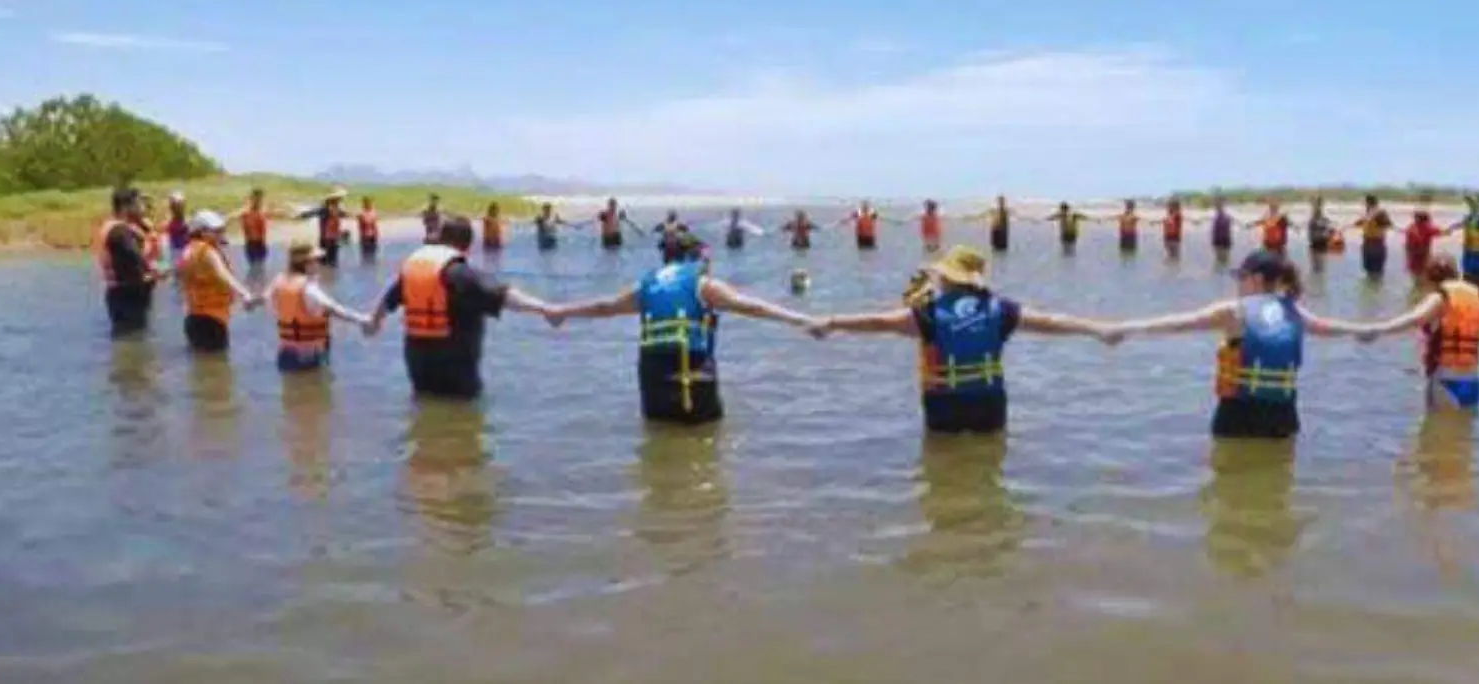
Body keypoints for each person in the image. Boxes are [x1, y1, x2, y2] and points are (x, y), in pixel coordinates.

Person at [814, 246, 1115, 434]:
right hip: (988, 401)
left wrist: (831, 323)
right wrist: (1097, 329)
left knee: (943, 474)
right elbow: (1051, 323)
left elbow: (879, 323)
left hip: (944, 402)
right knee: (989, 470)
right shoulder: (1001, 309)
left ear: (946, 279)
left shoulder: (929, 312)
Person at [546, 232, 817, 424]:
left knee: (659, 442)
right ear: (695, 258)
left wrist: (561, 311)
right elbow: (750, 306)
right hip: (692, 374)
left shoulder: (647, 283)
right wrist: (800, 319)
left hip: (652, 380)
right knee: (706, 446)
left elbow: (604, 307)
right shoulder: (703, 283)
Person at [1104, 251, 1381, 439]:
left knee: (1229, 494)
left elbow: (1177, 323)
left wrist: (1124, 329)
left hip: (1238, 414)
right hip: (1282, 416)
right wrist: (1365, 330)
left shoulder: (1234, 311)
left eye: (1241, 277)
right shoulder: (1294, 311)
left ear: (1257, 279)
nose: (1238, 284)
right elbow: (1331, 327)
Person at [369, 215, 554, 400]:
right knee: (462, 419)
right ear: (467, 245)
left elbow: (387, 301)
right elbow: (503, 296)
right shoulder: (459, 273)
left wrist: (373, 322)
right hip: (456, 372)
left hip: (418, 367)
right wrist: (546, 309)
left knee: (425, 406)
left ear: (441, 239)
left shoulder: (414, 270)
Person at [1353, 256, 1479, 410]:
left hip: (1445, 380)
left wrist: (1379, 329)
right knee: (1462, 436)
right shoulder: (1472, 299)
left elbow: (1414, 319)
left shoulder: (1439, 298)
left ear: (1430, 280)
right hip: (1472, 380)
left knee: (1435, 437)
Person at [269, 240, 373, 372]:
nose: (318, 264)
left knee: (293, 390)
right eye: (315, 260)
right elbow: (333, 309)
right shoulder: (308, 288)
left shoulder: (278, 282)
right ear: (305, 263)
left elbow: (270, 304)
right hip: (309, 354)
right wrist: (362, 319)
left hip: (285, 352)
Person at [176, 211, 260, 354]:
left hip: (192, 318)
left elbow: (180, 276)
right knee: (220, 369)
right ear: (202, 232)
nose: (221, 233)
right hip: (212, 321)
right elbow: (223, 274)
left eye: (222, 230)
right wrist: (245, 293)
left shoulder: (188, 250)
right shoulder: (207, 251)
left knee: (201, 367)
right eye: (216, 231)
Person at [97, 186, 162, 335]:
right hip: (126, 297)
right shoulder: (119, 232)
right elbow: (135, 258)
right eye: (139, 204)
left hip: (129, 295)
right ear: (126, 207)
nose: (143, 207)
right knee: (131, 340)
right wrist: (160, 271)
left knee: (136, 341)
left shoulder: (131, 228)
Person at [1443, 194, 1479, 298]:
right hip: (1469, 254)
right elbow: (1458, 224)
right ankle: (1470, 301)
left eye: (1474, 204)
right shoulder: (1468, 219)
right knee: (1468, 280)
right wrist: (1449, 229)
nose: (1472, 207)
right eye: (1471, 205)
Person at [1351, 195, 1394, 279]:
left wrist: (1378, 220)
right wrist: (1361, 222)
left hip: (1376, 243)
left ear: (1369, 203)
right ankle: (1373, 289)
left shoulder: (1380, 213)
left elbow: (1389, 224)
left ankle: (1375, 288)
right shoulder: (1367, 213)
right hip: (1368, 243)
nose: (1364, 205)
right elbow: (1359, 223)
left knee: (1376, 270)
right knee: (1369, 269)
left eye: (1365, 203)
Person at [1404, 207, 1446, 280]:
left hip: (1412, 256)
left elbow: (1407, 245)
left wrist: (1407, 258)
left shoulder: (1410, 227)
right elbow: (1443, 232)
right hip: (1423, 256)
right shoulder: (1427, 227)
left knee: (1414, 277)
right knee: (1423, 276)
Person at [235, 188, 270, 266]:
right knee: (254, 267)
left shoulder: (262, 212)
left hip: (261, 244)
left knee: (260, 267)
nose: (258, 201)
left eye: (260, 199)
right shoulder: (245, 212)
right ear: (251, 199)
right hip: (251, 244)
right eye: (256, 198)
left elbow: (278, 214)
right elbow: (232, 217)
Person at [315, 189, 348, 267]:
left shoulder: (336, 209)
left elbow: (342, 217)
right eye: (339, 199)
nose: (340, 200)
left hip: (333, 238)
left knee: (331, 262)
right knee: (326, 262)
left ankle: (329, 277)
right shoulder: (325, 209)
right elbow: (323, 224)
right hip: (327, 239)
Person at [163, 192, 191, 260]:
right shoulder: (186, 223)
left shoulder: (186, 222)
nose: (178, 209)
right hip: (178, 252)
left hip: (179, 251)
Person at [1208, 196, 1234, 261]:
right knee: (1220, 259)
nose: (1217, 206)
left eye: (1218, 204)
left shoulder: (1227, 216)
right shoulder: (1216, 216)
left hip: (1224, 240)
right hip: (1220, 240)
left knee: (1223, 259)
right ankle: (1220, 270)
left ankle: (1221, 270)